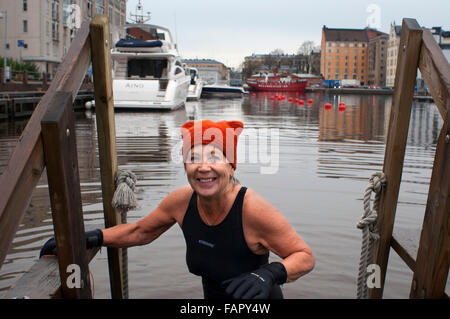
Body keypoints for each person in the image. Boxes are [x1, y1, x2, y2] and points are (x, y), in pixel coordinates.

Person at [40, 119, 315, 299]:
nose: (203, 167)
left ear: (232, 166)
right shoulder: (181, 201)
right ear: (185, 167)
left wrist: (268, 273)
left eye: (214, 157)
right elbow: (140, 231)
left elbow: (304, 256)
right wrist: (96, 236)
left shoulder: (252, 209)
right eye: (193, 158)